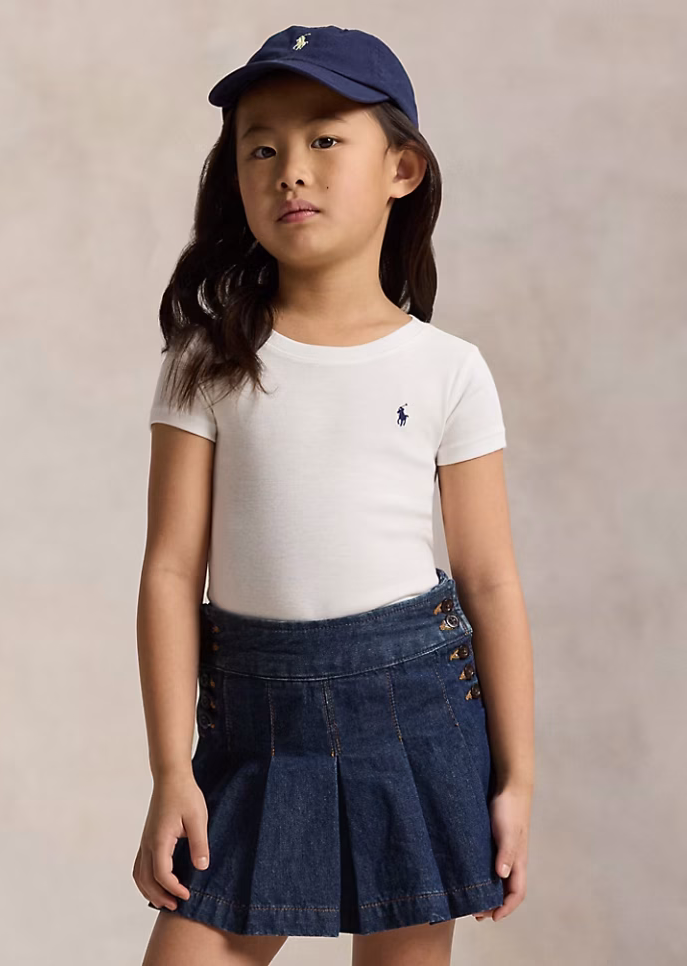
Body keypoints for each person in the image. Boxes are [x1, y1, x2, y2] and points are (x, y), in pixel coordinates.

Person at [133, 24, 534, 966]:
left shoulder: (448, 369)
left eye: (324, 139)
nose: (291, 171)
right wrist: (168, 769)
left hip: (419, 714)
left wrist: (519, 778)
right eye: (261, 148)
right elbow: (170, 571)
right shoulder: (208, 362)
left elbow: (490, 580)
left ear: (403, 169)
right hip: (255, 724)